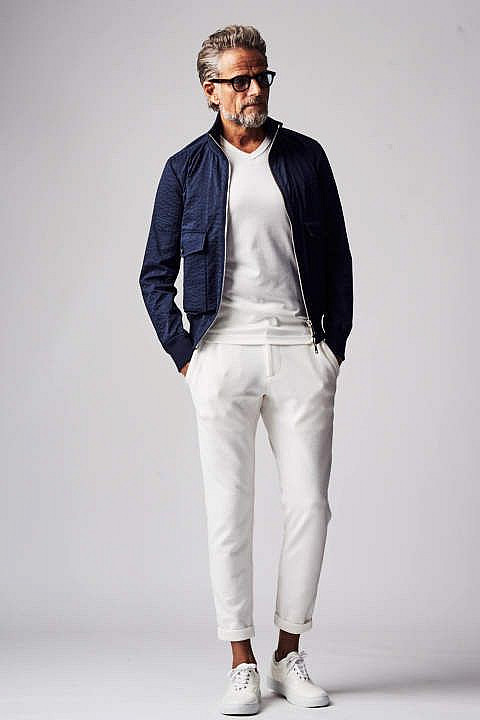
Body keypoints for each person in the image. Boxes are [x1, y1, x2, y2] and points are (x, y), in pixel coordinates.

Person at [139, 24, 353, 716]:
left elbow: (338, 259)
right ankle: (242, 660)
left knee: (310, 505)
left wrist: (332, 349)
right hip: (221, 352)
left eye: (262, 76)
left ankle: (290, 654)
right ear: (211, 91)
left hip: (298, 347)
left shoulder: (306, 157)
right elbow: (154, 274)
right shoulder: (185, 170)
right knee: (229, 511)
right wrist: (186, 355)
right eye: (240, 80)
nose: (255, 89)